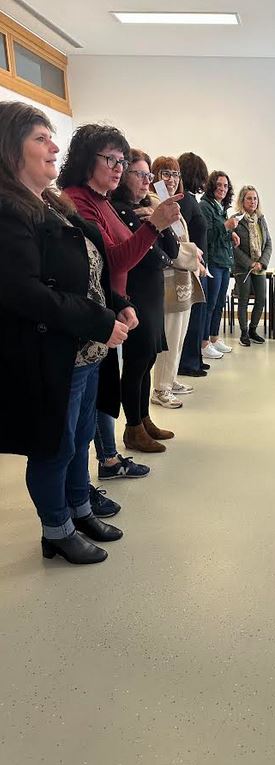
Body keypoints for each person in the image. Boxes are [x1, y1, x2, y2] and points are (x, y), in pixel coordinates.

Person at [0, 101, 127, 564]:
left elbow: (89, 268)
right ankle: (56, 529)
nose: (54, 147)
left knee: (78, 437)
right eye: (41, 139)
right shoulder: (8, 210)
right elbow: (26, 293)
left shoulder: (50, 202)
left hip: (83, 350)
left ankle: (79, 508)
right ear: (10, 148)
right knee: (54, 446)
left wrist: (118, 303)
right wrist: (99, 320)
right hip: (51, 351)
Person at [59, 124, 182, 477]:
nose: (118, 167)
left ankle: (107, 461)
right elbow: (113, 260)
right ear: (87, 159)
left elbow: (133, 257)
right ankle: (95, 473)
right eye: (111, 160)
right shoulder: (78, 201)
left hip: (112, 305)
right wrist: (154, 226)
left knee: (100, 395)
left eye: (121, 160)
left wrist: (120, 300)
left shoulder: (102, 201)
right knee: (82, 416)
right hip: (93, 313)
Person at [111, 149, 180, 448]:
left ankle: (144, 418)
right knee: (137, 362)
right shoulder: (120, 210)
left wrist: (156, 218)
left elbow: (172, 250)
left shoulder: (143, 209)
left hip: (152, 294)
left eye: (148, 175)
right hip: (136, 294)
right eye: (139, 174)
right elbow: (157, 258)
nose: (146, 181)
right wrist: (155, 225)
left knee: (149, 358)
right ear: (124, 175)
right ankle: (133, 427)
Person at [150, 156, 205, 408]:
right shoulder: (154, 203)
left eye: (175, 174)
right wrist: (194, 256)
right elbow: (169, 246)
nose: (171, 179)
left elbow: (181, 241)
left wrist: (192, 256)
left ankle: (170, 380)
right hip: (168, 277)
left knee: (180, 334)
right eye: (165, 173)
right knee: (170, 335)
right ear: (155, 176)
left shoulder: (172, 204)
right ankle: (160, 389)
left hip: (183, 275)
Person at [178, 152, 210, 377]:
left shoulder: (189, 200)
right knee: (193, 318)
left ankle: (195, 359)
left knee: (199, 316)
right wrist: (196, 262)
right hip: (192, 266)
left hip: (198, 265)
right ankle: (188, 363)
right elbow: (183, 236)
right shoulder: (186, 201)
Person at [200, 171, 239, 359]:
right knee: (210, 303)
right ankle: (204, 342)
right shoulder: (205, 206)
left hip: (224, 261)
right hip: (213, 261)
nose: (222, 189)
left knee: (219, 303)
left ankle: (214, 338)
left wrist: (231, 234)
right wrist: (226, 227)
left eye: (225, 185)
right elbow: (206, 235)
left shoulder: (221, 207)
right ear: (211, 186)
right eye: (219, 185)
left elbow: (221, 232)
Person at [233, 185, 272, 347]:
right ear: (242, 200)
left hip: (260, 267)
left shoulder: (261, 219)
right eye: (249, 198)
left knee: (261, 299)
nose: (253, 201)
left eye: (255, 198)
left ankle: (253, 330)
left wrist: (262, 263)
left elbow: (268, 243)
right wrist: (250, 263)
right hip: (243, 268)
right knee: (243, 300)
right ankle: (243, 333)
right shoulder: (236, 220)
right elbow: (233, 248)